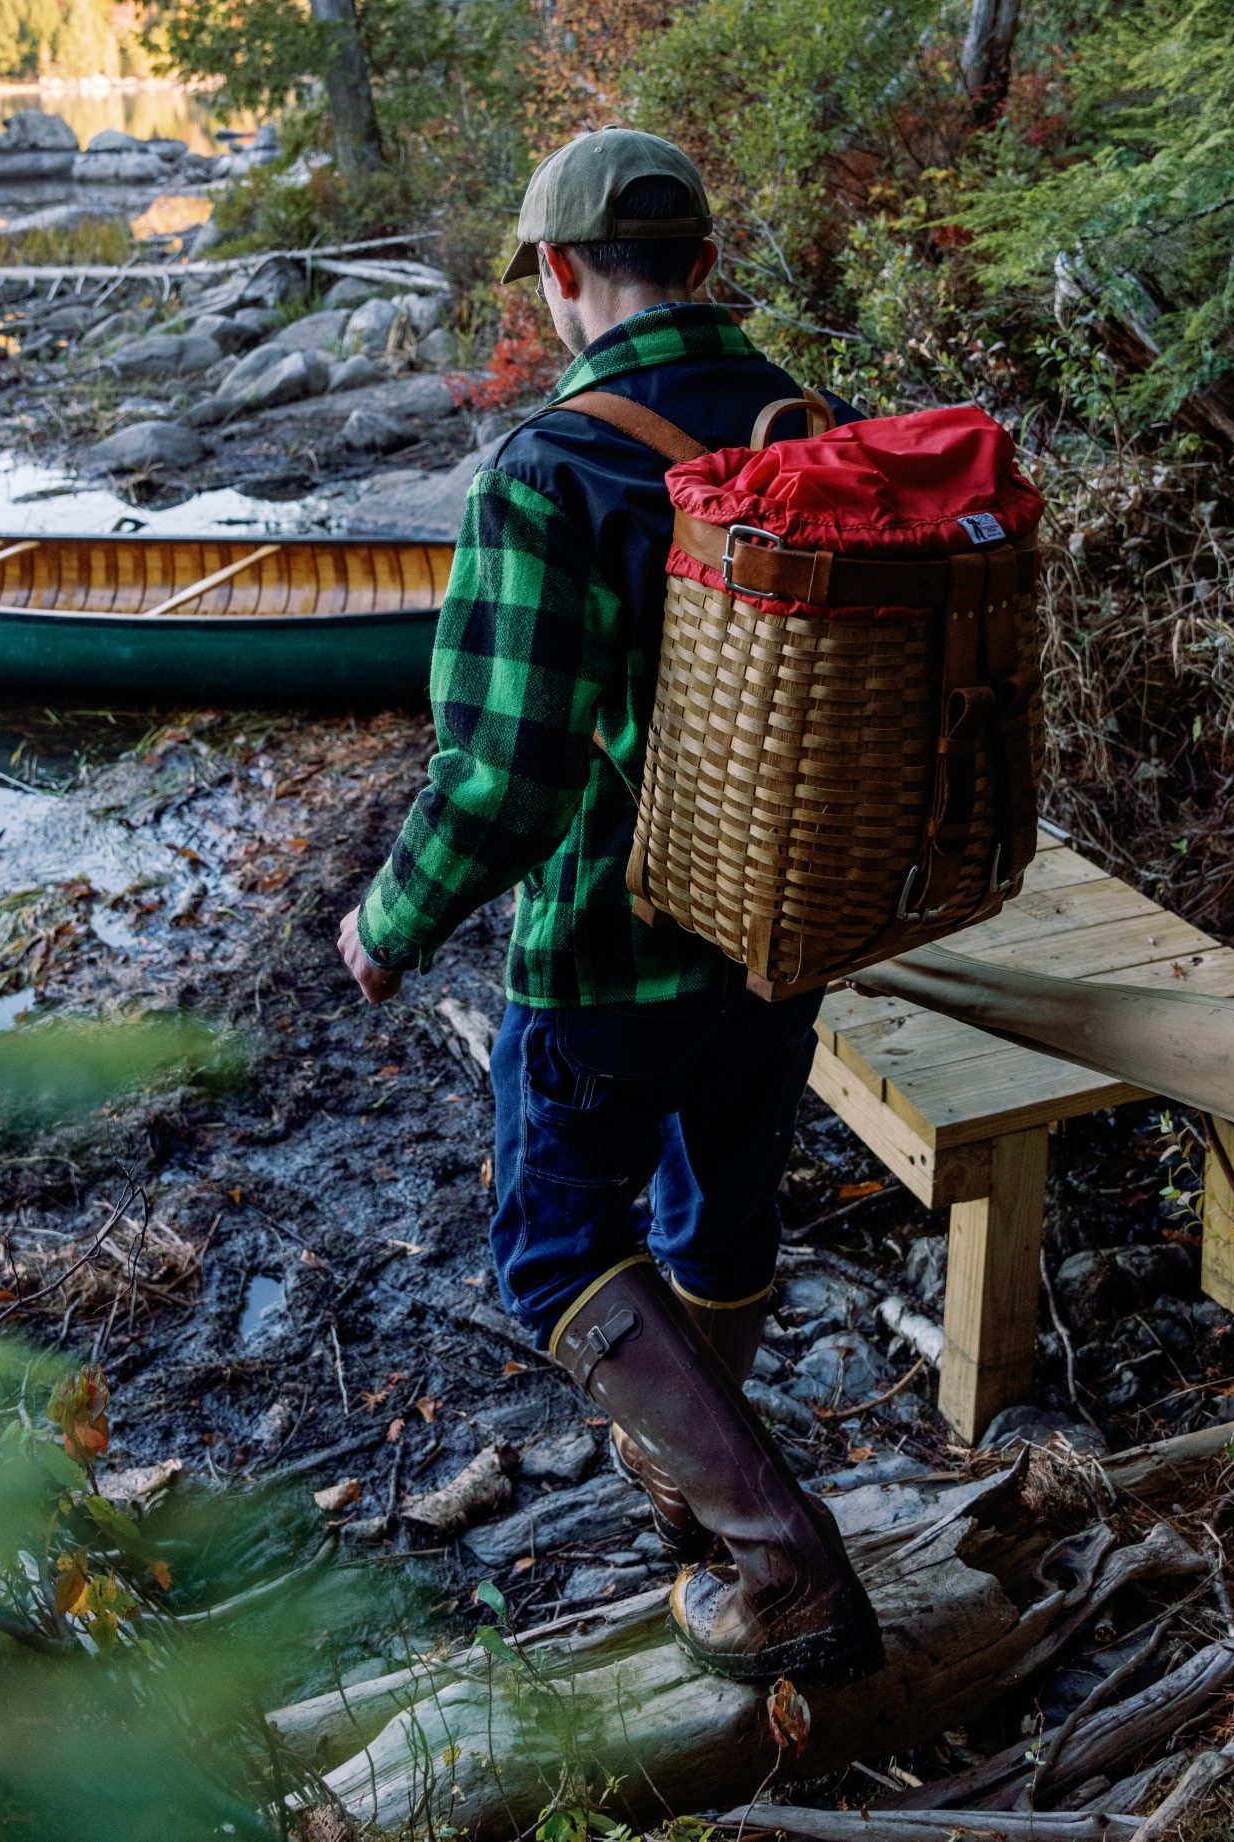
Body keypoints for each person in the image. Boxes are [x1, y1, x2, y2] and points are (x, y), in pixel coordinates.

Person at [336, 127, 883, 1684]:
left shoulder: (547, 468)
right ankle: (703, 1512)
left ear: (562, 275)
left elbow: (506, 772)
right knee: (718, 1216)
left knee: (553, 1246)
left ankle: (782, 1561)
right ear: (704, 268)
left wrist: (388, 921)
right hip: (782, 927)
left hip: (606, 949)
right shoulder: (811, 428)